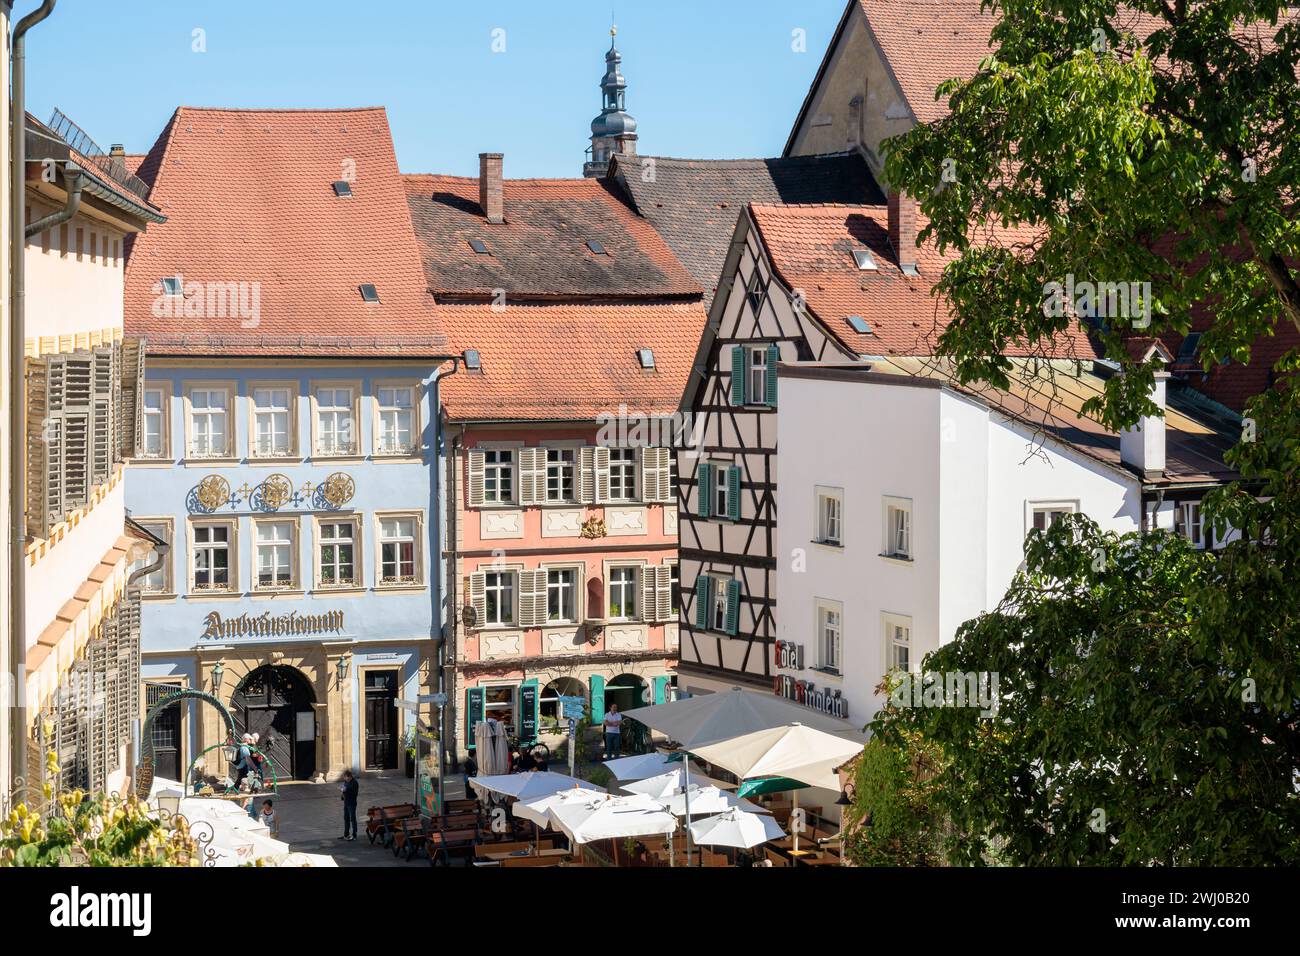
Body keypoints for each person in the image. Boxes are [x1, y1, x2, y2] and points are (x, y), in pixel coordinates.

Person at [340, 769, 359, 841]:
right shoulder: (346, 782)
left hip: (352, 803)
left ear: (350, 777)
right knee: (346, 818)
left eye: (346, 778)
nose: (345, 779)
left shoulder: (354, 783)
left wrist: (346, 791)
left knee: (353, 819)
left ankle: (354, 835)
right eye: (344, 778)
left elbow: (354, 794)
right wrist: (342, 794)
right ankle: (346, 834)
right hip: (346, 803)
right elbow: (344, 790)